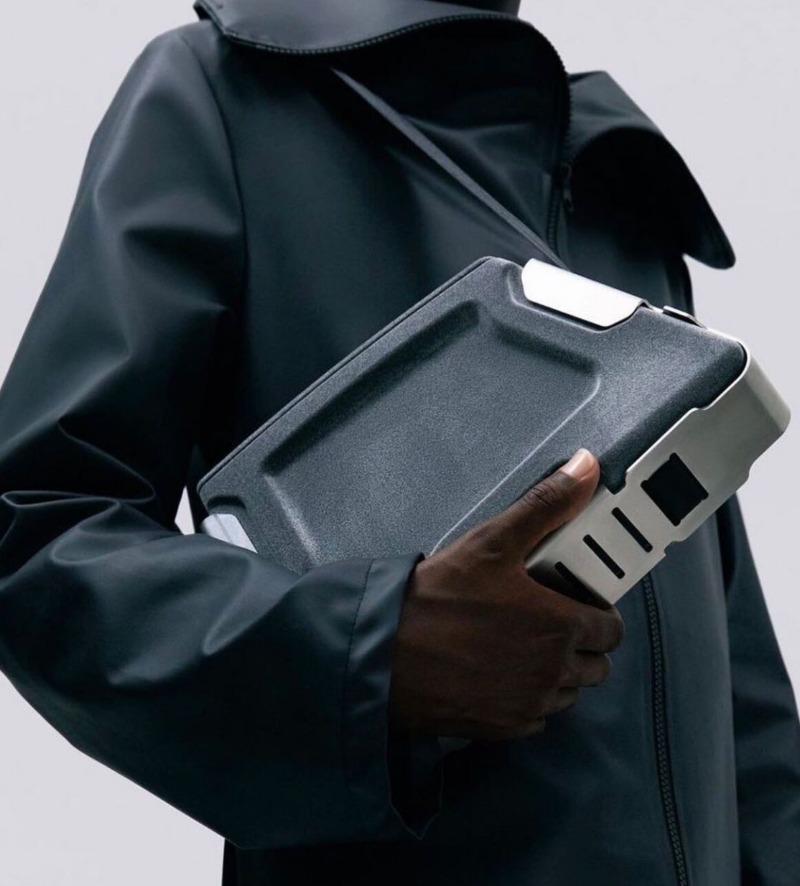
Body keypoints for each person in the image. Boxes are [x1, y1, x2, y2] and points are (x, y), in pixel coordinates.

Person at [0, 0, 798, 884]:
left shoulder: (620, 188)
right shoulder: (224, 98)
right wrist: (370, 651)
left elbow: (746, 705)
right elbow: (37, 530)